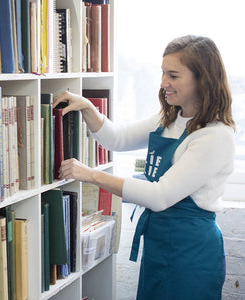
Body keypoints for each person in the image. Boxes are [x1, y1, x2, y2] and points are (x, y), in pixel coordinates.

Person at [53, 35, 235, 299]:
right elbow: (118, 138)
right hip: (159, 244)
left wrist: (90, 175)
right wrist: (88, 107)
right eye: (163, 73)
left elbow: (159, 196)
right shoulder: (171, 117)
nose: (163, 83)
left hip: (192, 253)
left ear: (202, 79)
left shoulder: (215, 136)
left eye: (173, 75)